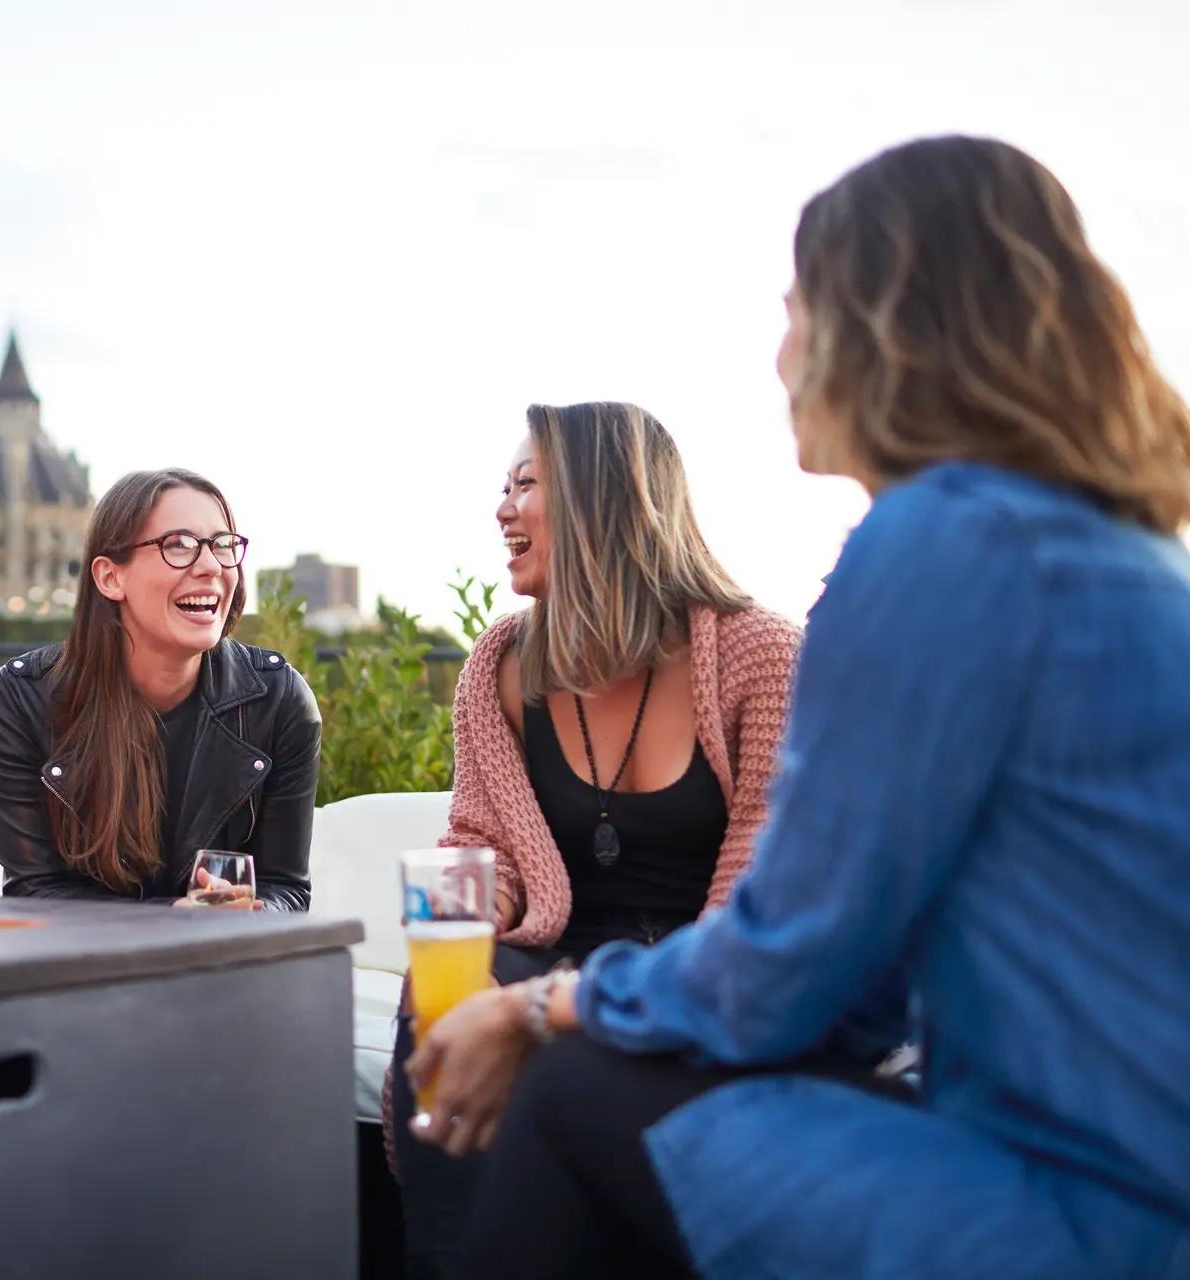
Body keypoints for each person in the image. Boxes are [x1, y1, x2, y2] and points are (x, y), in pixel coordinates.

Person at [413, 136, 1190, 1279]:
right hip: (1127, 1166)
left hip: (1077, 1209)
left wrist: (542, 1011)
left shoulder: (936, 544)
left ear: (881, 323)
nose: (780, 355)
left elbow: (787, 963)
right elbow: (858, 991)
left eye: (794, 309)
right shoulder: (1123, 555)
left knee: (575, 1082)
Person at [388, 403, 802, 1275]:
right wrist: (469, 913)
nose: (502, 509)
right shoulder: (500, 663)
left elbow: (766, 889)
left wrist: (611, 997)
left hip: (695, 962)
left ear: (604, 499)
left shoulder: (760, 653)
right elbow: (482, 840)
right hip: (559, 947)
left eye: (527, 485)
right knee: (443, 1003)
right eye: (501, 489)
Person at [0, 468, 319, 908]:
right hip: (90, 969)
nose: (212, 566)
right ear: (109, 577)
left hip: (220, 967)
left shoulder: (279, 700)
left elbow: (285, 888)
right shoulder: (21, 700)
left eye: (223, 545)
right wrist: (172, 922)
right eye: (178, 545)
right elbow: (36, 894)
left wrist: (254, 912)